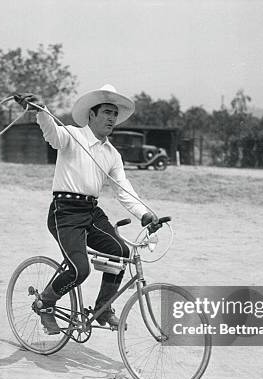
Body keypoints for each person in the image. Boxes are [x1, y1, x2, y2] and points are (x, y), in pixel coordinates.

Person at [15, 84, 159, 335]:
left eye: (115, 114)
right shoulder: (72, 135)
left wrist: (144, 214)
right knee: (80, 269)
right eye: (106, 112)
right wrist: (41, 110)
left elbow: (123, 189)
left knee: (120, 252)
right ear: (92, 115)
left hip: (91, 212)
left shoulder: (112, 154)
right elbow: (52, 134)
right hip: (65, 212)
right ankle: (45, 304)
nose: (112, 118)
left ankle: (103, 307)